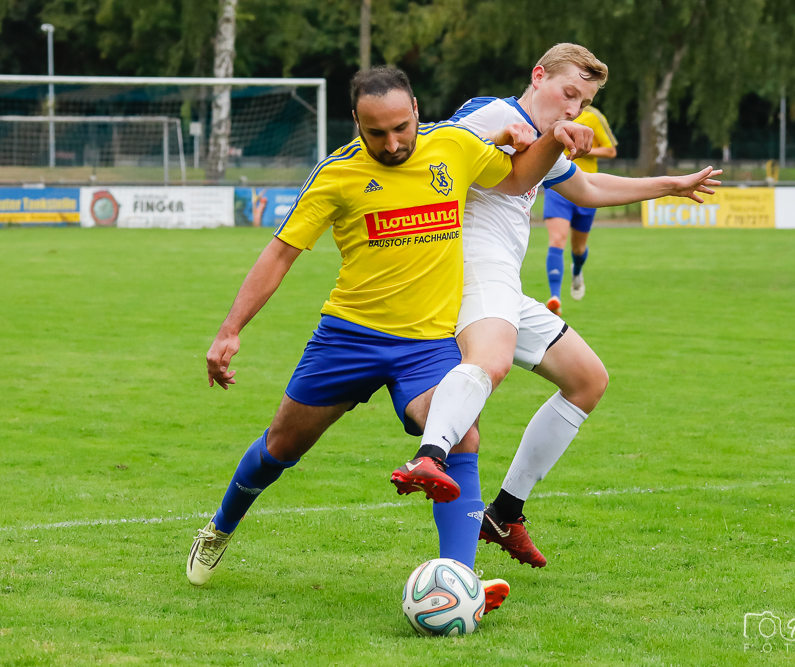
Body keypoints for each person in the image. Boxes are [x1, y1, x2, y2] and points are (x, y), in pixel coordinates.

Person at [186, 66, 592, 616]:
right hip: (348, 339)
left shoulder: (454, 147)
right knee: (280, 448)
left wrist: (555, 137)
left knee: (462, 436)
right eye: (377, 133)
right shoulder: (336, 173)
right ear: (356, 121)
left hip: (425, 344)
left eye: (402, 128)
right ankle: (220, 527)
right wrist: (230, 330)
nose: (393, 143)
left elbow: (519, 178)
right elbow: (280, 254)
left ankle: (459, 580)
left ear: (417, 111)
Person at [390, 44, 721, 568]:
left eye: (583, 103)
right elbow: (432, 146)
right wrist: (503, 138)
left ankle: (505, 512)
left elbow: (587, 187)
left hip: (502, 285)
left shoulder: (546, 141)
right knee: (490, 362)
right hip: (470, 272)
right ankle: (430, 456)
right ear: (538, 75)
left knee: (588, 380)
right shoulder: (494, 114)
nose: (573, 108)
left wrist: (672, 185)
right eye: (569, 93)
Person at [543, 105, 617, 315]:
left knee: (578, 248)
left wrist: (582, 148)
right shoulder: (551, 113)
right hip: (557, 186)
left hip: (586, 188)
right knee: (557, 240)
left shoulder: (594, 116)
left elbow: (611, 150)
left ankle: (577, 270)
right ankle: (555, 298)